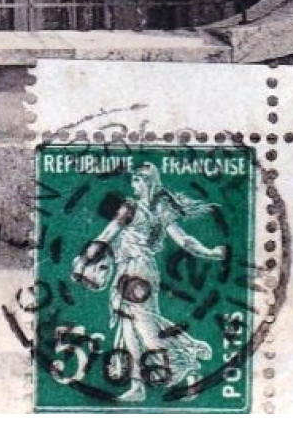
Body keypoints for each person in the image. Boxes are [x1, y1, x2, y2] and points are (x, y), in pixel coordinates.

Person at [71, 162, 226, 403]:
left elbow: (105, 237)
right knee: (129, 325)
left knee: (143, 327)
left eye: (137, 180)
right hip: (135, 270)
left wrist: (83, 263)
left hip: (136, 271)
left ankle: (181, 363)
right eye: (133, 180)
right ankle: (139, 385)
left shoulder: (130, 208)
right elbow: (185, 241)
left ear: (147, 182)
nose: (134, 184)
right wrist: (211, 253)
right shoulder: (160, 211)